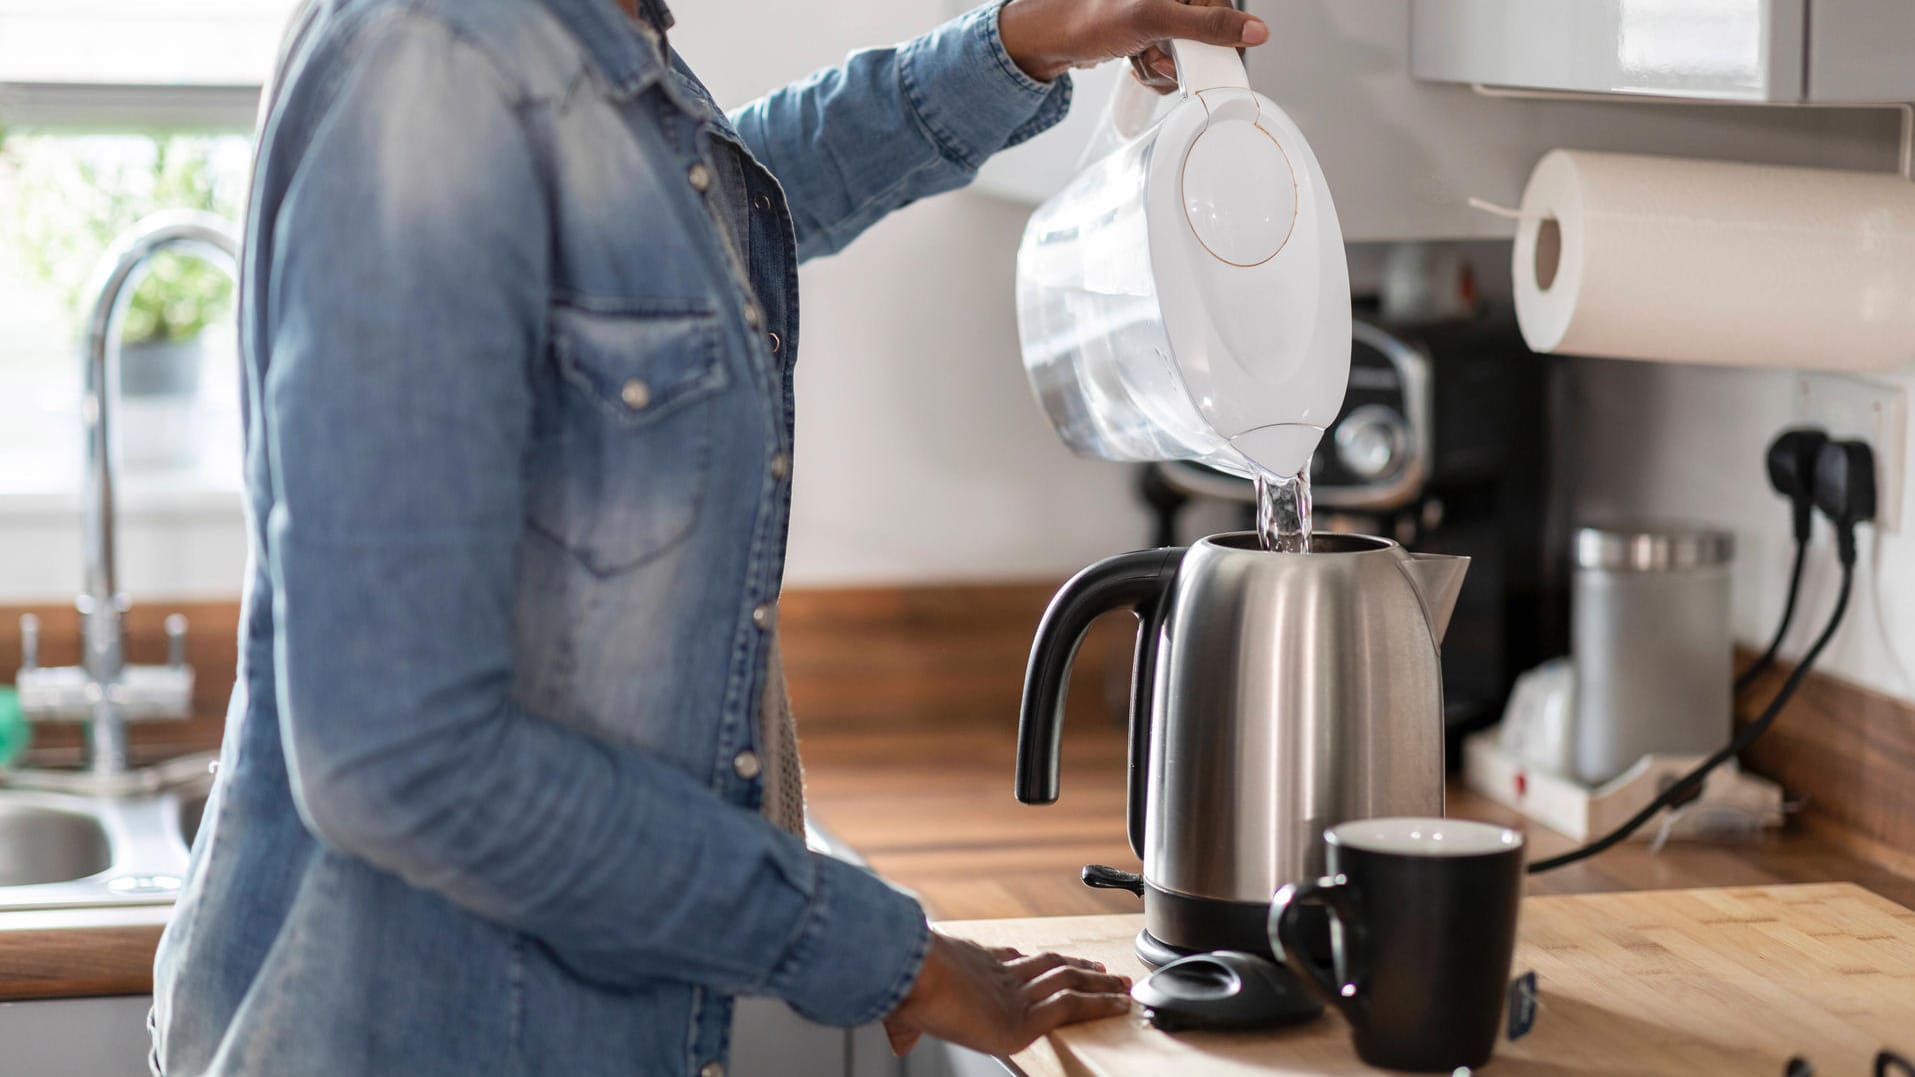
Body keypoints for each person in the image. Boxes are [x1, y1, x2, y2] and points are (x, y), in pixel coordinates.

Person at [149, 0, 1268, 1073]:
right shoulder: (437, 58)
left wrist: (1018, 46)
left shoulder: (599, 40)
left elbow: (721, 207)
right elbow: (399, 757)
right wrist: (887, 956)